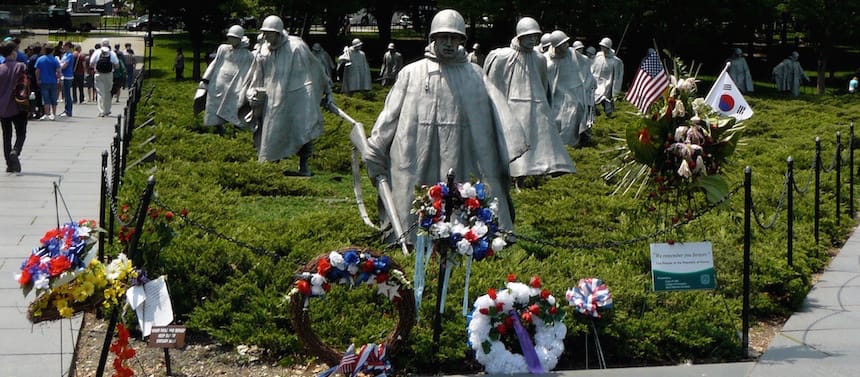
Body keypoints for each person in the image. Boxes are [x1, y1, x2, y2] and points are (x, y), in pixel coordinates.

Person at [364, 9, 527, 242]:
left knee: (462, 203)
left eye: (454, 38)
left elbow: (495, 122)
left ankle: (471, 239)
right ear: (433, 39)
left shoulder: (475, 75)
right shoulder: (411, 73)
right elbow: (389, 116)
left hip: (462, 156)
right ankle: (408, 237)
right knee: (414, 201)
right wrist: (376, 145)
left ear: (462, 41)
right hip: (417, 154)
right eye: (443, 38)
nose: (449, 43)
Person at [483, 18, 575, 181]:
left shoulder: (539, 58)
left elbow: (542, 83)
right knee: (516, 142)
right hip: (513, 105)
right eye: (528, 36)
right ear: (519, 36)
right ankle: (515, 174)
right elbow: (493, 85)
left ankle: (540, 171)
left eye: (535, 36)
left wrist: (544, 105)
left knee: (540, 142)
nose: (532, 40)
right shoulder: (503, 56)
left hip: (536, 106)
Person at [243, 15, 333, 176]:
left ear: (278, 32)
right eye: (264, 33)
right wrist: (253, 92)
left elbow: (315, 70)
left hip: (296, 97)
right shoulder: (264, 49)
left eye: (269, 33)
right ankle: (271, 165)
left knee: (302, 129)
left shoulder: (296, 47)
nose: (265, 36)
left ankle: (304, 165)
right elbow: (258, 74)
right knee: (270, 131)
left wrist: (327, 91)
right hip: (271, 99)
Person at [546, 30, 594, 147]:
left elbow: (585, 62)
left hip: (574, 93)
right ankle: (559, 145)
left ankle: (574, 144)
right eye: (564, 44)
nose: (567, 45)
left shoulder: (572, 53)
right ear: (557, 46)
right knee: (558, 119)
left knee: (573, 117)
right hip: (557, 95)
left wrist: (586, 83)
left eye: (567, 42)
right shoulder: (547, 60)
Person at [199, 25, 254, 127]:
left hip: (233, 87)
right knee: (213, 108)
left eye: (234, 38)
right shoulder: (223, 49)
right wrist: (205, 79)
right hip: (217, 84)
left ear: (240, 38)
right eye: (230, 37)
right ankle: (214, 127)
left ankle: (233, 129)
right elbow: (215, 63)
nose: (231, 40)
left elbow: (248, 73)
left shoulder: (247, 55)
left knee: (232, 108)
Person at [1, 41, 28, 173]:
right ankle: (16, 151)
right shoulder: (21, 66)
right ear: (13, 52)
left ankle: (9, 164)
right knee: (21, 133)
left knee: (6, 135)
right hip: (19, 105)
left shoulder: (0, 68)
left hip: (3, 108)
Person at [591, 37, 623, 117]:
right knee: (592, 96)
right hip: (596, 81)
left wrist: (615, 90)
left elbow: (617, 77)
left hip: (606, 83)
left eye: (604, 46)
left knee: (604, 98)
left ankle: (609, 113)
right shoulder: (598, 56)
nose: (602, 48)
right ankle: (594, 111)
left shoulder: (615, 61)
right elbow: (593, 68)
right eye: (601, 46)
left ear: (608, 47)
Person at [89, 39, 119, 117]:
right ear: (108, 44)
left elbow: (91, 64)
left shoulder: (97, 52)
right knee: (108, 92)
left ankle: (101, 111)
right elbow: (117, 65)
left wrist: (96, 67)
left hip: (98, 74)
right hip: (109, 74)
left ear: (101, 44)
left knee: (100, 92)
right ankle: (107, 110)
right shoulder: (112, 53)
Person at [35, 46, 61, 121]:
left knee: (45, 98)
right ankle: (54, 114)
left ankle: (46, 114)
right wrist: (58, 79)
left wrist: (38, 79)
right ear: (52, 51)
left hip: (43, 81)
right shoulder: (54, 60)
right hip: (53, 81)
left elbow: (37, 71)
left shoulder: (40, 59)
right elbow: (58, 71)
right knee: (53, 98)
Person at [26, 44, 43, 119]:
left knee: (32, 96)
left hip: (32, 79)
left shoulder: (32, 58)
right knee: (39, 95)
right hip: (41, 79)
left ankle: (31, 111)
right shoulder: (41, 58)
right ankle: (40, 111)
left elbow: (28, 69)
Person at [59, 42, 74, 117]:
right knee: (65, 93)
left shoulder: (70, 55)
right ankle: (66, 109)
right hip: (63, 75)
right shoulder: (65, 54)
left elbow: (65, 65)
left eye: (64, 46)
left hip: (67, 76)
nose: (63, 47)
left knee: (67, 94)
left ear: (68, 46)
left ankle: (68, 110)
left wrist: (58, 68)